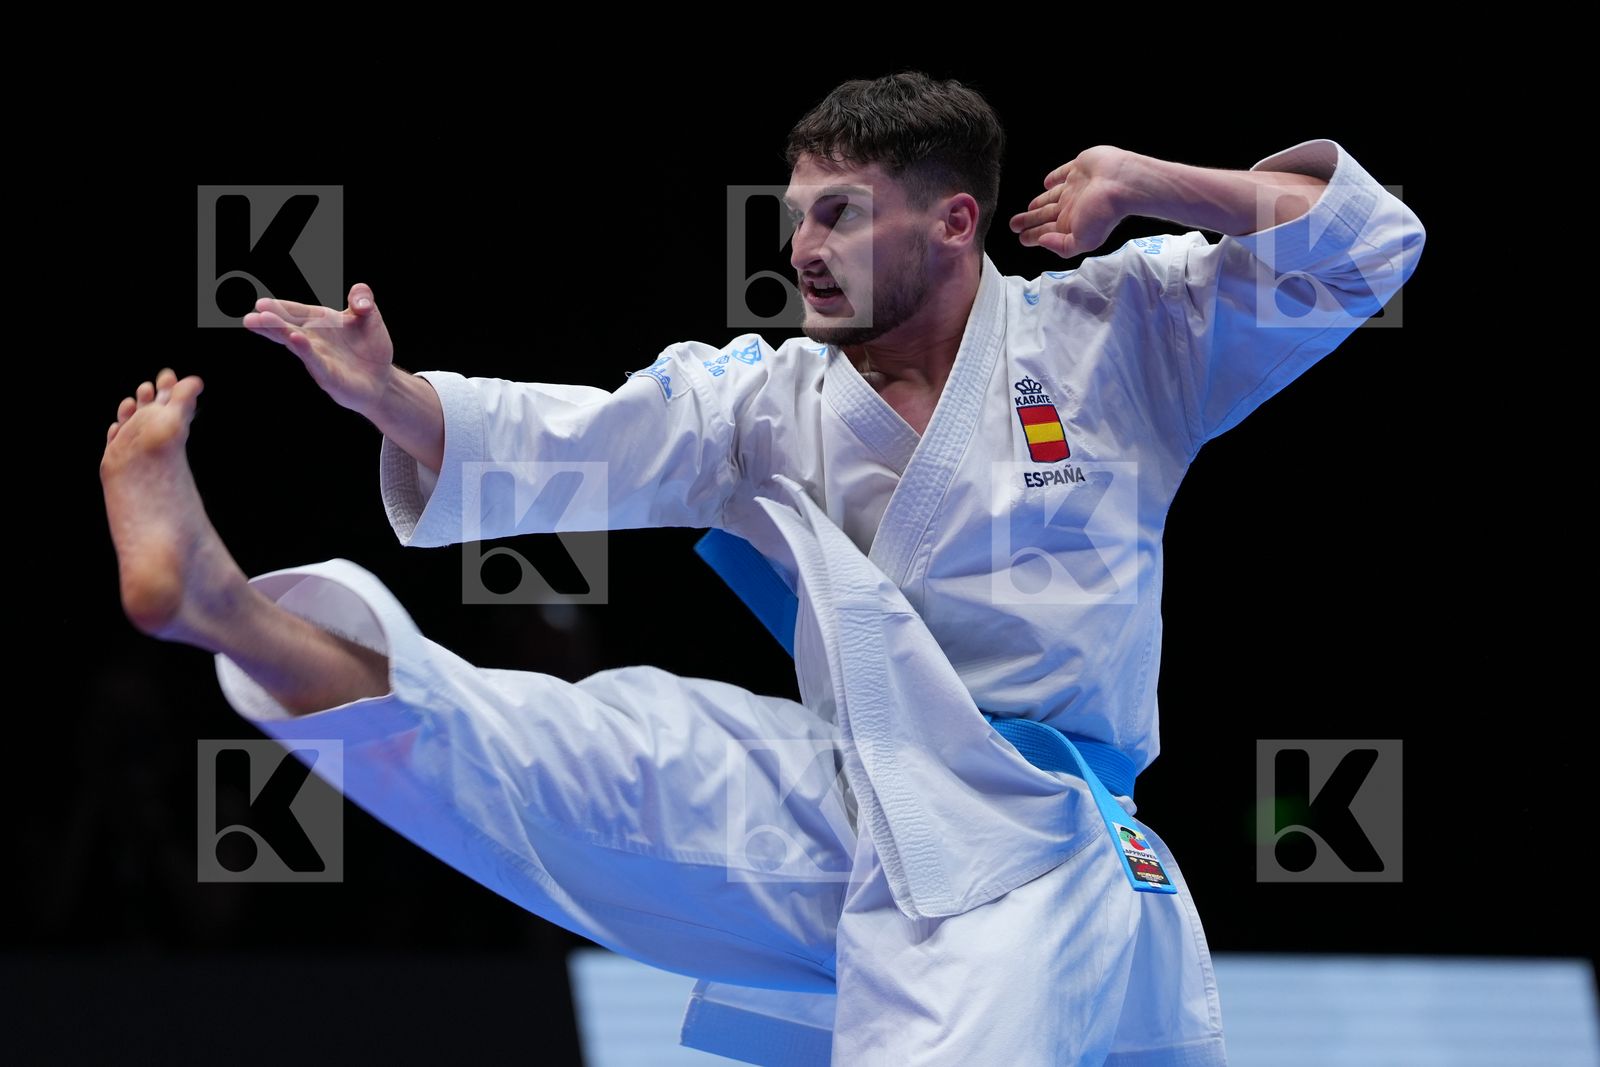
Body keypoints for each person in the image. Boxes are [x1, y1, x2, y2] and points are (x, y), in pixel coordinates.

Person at [101, 72, 1423, 1065]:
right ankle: (226, 609)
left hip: (1031, 846)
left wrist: (1144, 180)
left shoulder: (1120, 333)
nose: (801, 247)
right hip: (838, 798)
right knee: (567, 747)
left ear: (957, 222)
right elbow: (568, 439)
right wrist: (393, 397)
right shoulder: (761, 399)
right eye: (796, 216)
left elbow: (1366, 245)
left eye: (840, 215)